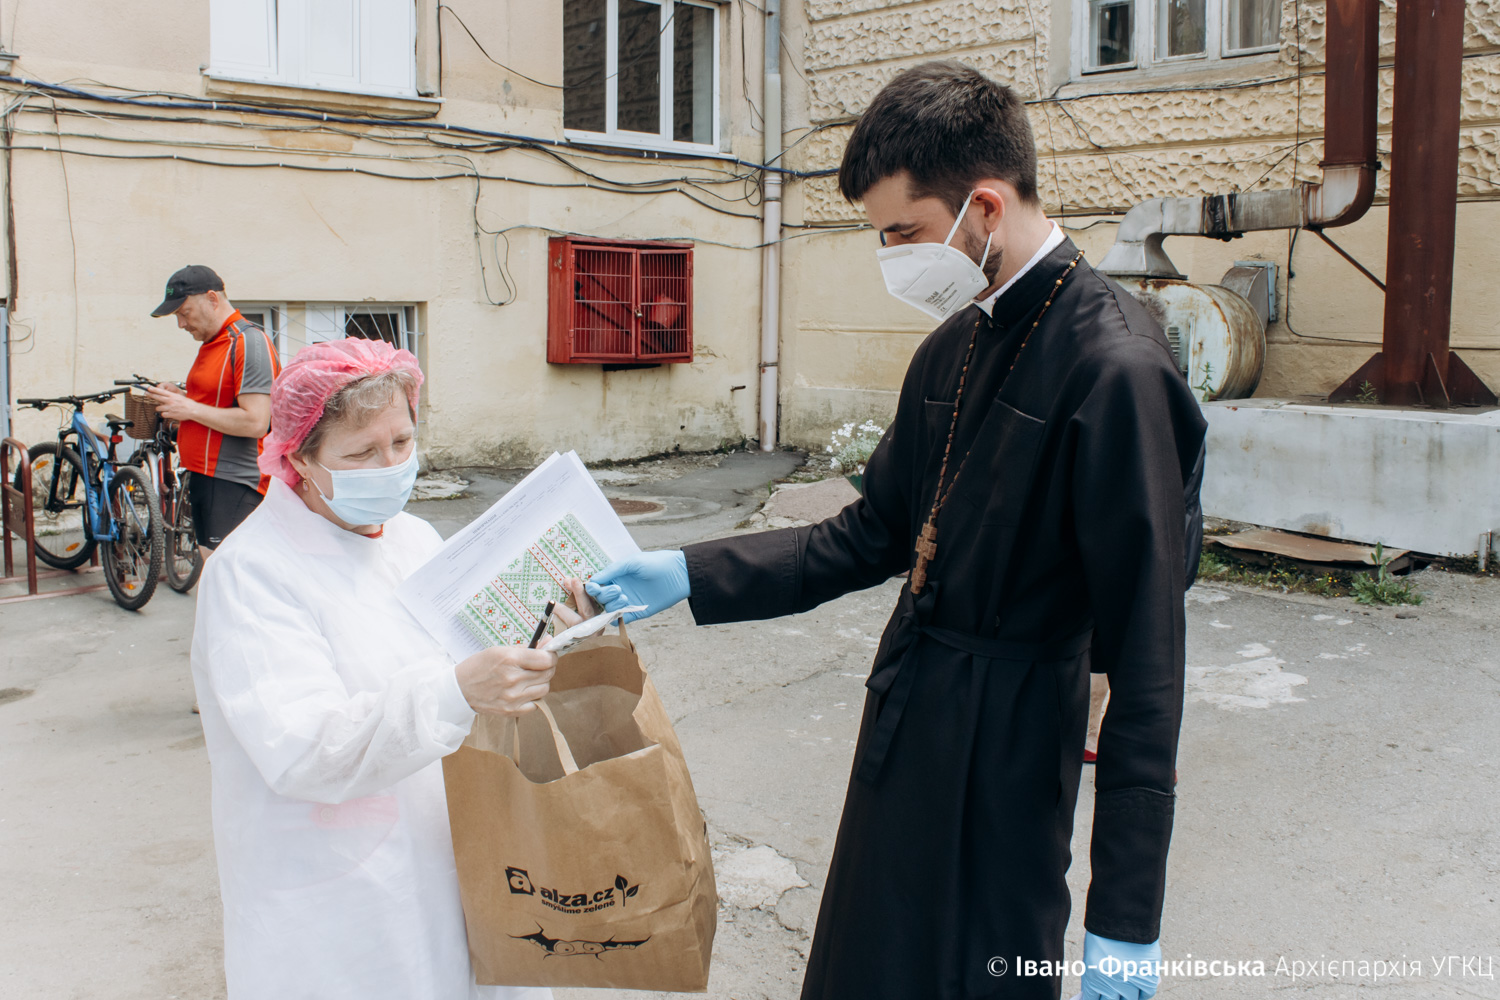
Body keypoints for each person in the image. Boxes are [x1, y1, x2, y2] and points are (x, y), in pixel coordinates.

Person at [588, 62, 1206, 1000]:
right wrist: (689, 570)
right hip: (910, 719)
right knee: (866, 965)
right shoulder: (951, 345)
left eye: (906, 233)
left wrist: (1125, 916)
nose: (894, 258)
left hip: (1013, 745)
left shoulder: (1114, 365)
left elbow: (1148, 662)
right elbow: (869, 535)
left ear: (986, 207)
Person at [190, 338, 588, 999]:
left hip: (451, 841)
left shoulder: (412, 538)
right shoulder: (252, 574)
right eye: (361, 453)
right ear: (298, 460)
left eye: (402, 443)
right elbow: (307, 749)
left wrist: (542, 629)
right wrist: (458, 693)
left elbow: (465, 652)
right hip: (337, 885)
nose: (391, 466)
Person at [146, 265, 280, 557]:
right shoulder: (213, 343)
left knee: (231, 576)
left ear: (211, 298)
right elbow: (216, 404)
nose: (181, 324)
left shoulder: (248, 341)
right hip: (205, 476)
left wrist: (189, 407)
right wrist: (182, 397)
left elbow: (256, 421)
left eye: (184, 312)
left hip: (234, 480)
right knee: (215, 573)